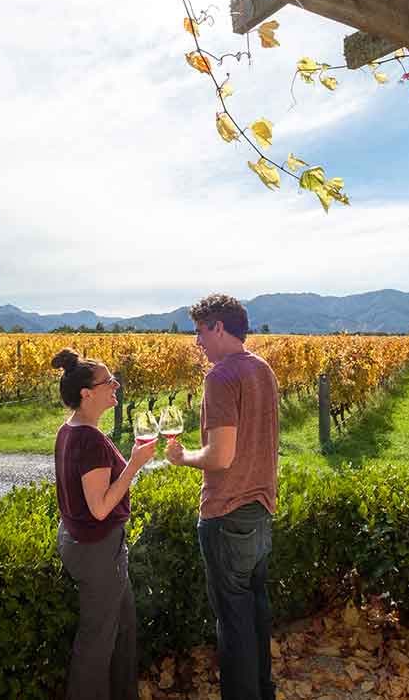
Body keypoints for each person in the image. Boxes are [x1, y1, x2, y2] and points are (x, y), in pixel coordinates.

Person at [165, 294, 279, 700]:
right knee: (256, 615)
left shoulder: (221, 377)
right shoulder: (262, 369)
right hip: (260, 511)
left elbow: (220, 456)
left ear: (217, 327)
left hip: (226, 512)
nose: (196, 341)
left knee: (233, 625)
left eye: (199, 331)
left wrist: (182, 457)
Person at [52, 348, 157, 700]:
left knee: (124, 626)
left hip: (82, 542)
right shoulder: (90, 439)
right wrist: (136, 463)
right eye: (108, 381)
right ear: (87, 393)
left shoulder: (70, 430)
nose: (115, 385)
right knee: (96, 642)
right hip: (97, 550)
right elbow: (99, 508)